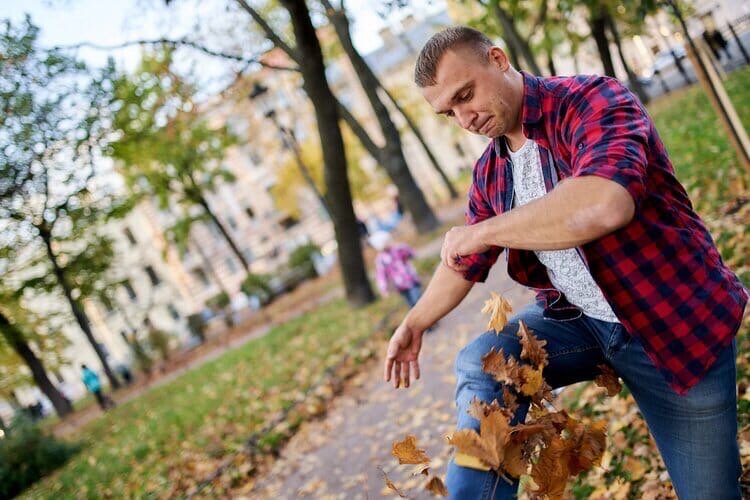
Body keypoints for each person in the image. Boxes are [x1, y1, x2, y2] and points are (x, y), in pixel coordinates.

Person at [383, 26, 747, 499]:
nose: (464, 117)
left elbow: (604, 204)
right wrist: (415, 322)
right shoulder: (491, 169)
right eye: (448, 110)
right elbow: (463, 261)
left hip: (669, 323)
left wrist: (487, 229)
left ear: (497, 59)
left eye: (466, 95)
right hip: (579, 322)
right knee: (484, 362)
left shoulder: (590, 101)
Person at [371, 231, 422, 308]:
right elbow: (381, 275)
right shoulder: (381, 260)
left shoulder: (398, 249)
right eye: (385, 241)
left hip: (411, 279)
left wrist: (408, 251)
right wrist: (383, 288)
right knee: (411, 303)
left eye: (388, 240)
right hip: (399, 285)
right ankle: (419, 317)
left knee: (417, 300)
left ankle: (426, 314)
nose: (388, 242)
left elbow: (410, 253)